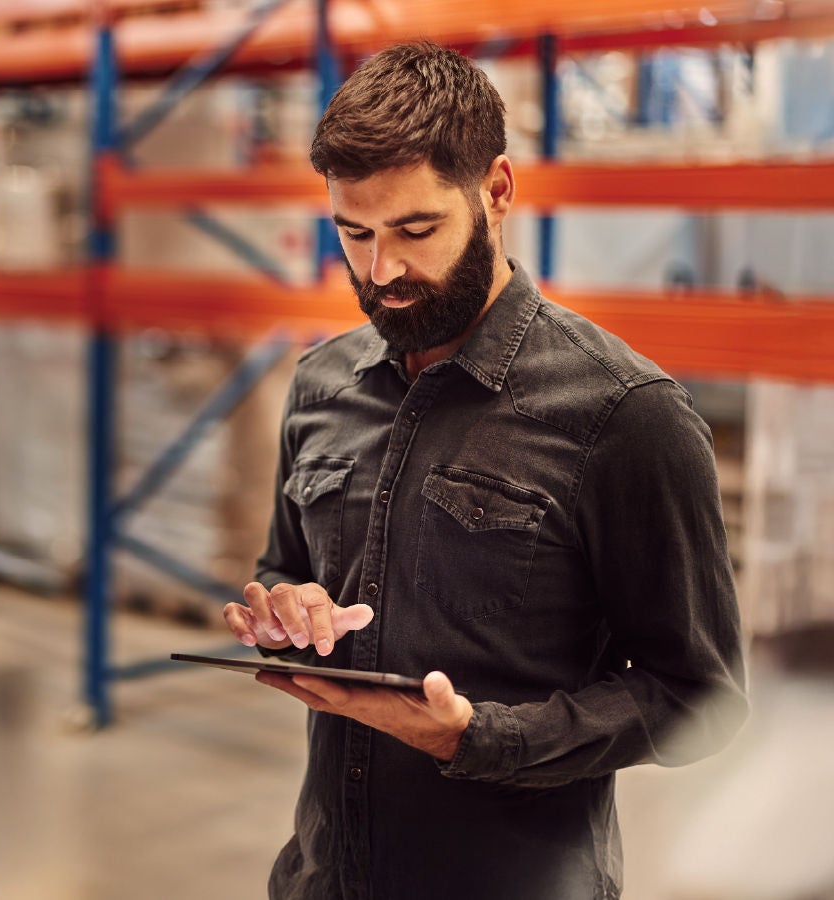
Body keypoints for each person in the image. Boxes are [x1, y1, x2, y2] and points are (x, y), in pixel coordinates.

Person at [221, 42, 748, 900]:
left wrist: (477, 737)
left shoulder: (624, 414)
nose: (381, 271)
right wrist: (288, 608)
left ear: (496, 191)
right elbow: (285, 566)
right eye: (354, 234)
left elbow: (699, 695)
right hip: (324, 878)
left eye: (415, 230)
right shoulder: (322, 384)